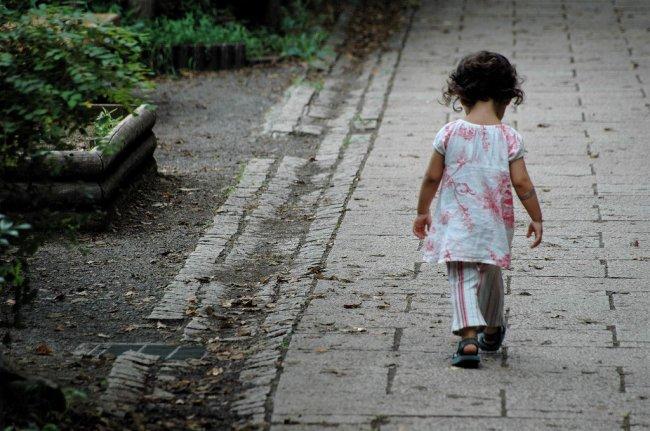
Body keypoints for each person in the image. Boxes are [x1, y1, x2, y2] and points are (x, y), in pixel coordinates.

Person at [412, 51, 543, 368]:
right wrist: (536, 217)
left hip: (457, 223)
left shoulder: (449, 133)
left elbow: (432, 177)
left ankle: (469, 338)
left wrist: (422, 211)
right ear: (507, 98)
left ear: (461, 96)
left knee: (462, 276)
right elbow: (522, 182)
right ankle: (493, 328)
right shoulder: (510, 137)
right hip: (494, 226)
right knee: (490, 273)